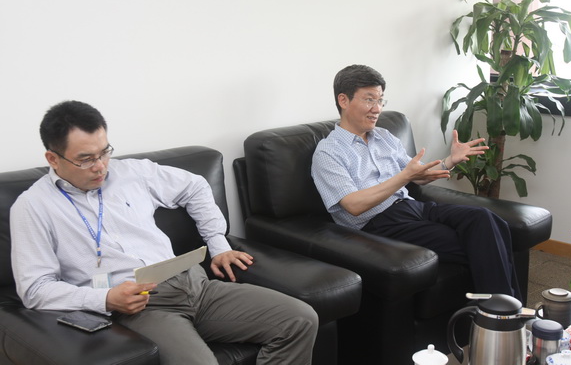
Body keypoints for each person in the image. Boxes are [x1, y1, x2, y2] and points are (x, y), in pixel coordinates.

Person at [11, 100, 318, 365]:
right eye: (86, 159)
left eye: (104, 153)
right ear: (53, 158)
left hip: (196, 285)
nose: (100, 167)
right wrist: (105, 299)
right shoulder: (33, 207)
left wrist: (218, 244)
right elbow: (34, 289)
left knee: (300, 319)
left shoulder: (131, 172)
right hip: (142, 307)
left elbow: (195, 186)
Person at [311, 64, 522, 301]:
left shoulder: (384, 136)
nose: (377, 109)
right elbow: (353, 205)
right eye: (369, 100)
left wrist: (449, 161)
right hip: (377, 224)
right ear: (343, 100)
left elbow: (418, 174)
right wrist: (404, 176)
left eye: (380, 100)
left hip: (412, 207)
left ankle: (507, 311)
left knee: (487, 220)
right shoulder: (328, 152)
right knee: (487, 243)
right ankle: (505, 314)